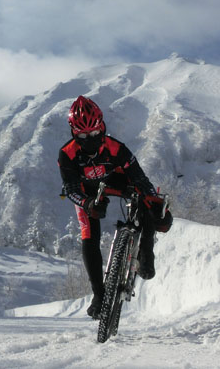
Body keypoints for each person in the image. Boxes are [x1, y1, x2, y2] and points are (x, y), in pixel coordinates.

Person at [58, 95, 173, 319]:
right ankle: (99, 295)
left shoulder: (117, 148)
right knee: (88, 233)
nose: (89, 140)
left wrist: (155, 204)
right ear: (73, 132)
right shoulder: (67, 154)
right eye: (82, 136)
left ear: (102, 127)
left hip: (119, 182)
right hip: (88, 192)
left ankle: (145, 254)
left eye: (94, 133)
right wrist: (87, 202)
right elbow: (70, 188)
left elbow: (140, 179)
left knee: (144, 203)